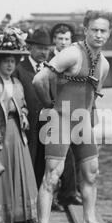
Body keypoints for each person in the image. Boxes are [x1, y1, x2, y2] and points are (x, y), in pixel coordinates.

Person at [33, 10, 112, 223]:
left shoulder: (105, 64)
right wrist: (49, 105)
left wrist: (90, 124)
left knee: (91, 173)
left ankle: (89, 221)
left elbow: (93, 98)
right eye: (95, 29)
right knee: (52, 177)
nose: (99, 34)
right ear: (86, 29)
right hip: (59, 118)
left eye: (104, 30)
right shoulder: (72, 52)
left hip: (82, 122)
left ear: (109, 33)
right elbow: (39, 80)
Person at [0, 27, 38, 223]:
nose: (10, 65)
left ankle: (23, 214)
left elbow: (23, 106)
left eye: (13, 61)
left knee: (20, 170)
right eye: (6, 61)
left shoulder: (18, 83)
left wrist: (25, 116)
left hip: (16, 132)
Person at [48, 23, 82, 210]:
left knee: (75, 154)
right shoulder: (48, 59)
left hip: (72, 114)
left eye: (66, 39)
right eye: (59, 39)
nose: (62, 43)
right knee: (57, 158)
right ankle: (57, 196)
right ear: (54, 40)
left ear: (71, 41)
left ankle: (69, 193)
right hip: (52, 114)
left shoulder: (74, 60)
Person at [14, 29, 51, 178]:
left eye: (46, 49)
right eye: (40, 48)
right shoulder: (19, 69)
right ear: (31, 48)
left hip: (45, 126)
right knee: (27, 162)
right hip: (26, 126)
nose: (44, 52)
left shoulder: (50, 70)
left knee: (44, 164)